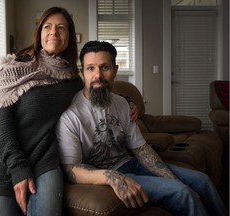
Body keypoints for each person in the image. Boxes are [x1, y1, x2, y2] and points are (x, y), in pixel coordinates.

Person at [0, 7, 138, 216]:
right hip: (5, 157)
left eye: (61, 27)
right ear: (39, 32)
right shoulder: (13, 69)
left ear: (69, 36)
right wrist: (18, 169)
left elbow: (96, 92)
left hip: (45, 158)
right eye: (47, 27)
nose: (53, 32)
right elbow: (2, 128)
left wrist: (127, 101)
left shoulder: (72, 79)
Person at [55, 40, 227, 216]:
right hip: (107, 173)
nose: (97, 75)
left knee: (202, 180)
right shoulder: (71, 116)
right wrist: (112, 177)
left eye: (104, 67)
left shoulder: (122, 103)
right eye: (90, 68)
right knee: (183, 193)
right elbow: (70, 170)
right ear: (82, 72)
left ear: (115, 70)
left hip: (131, 163)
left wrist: (172, 178)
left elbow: (141, 148)